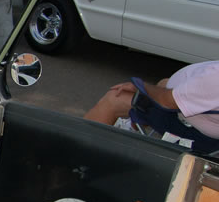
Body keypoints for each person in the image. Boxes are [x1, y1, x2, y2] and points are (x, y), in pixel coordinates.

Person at [84, 62, 219, 146]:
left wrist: (141, 87)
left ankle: (76, 149)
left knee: (115, 97)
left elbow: (166, 101)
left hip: (194, 132)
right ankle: (136, 123)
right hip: (204, 122)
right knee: (164, 83)